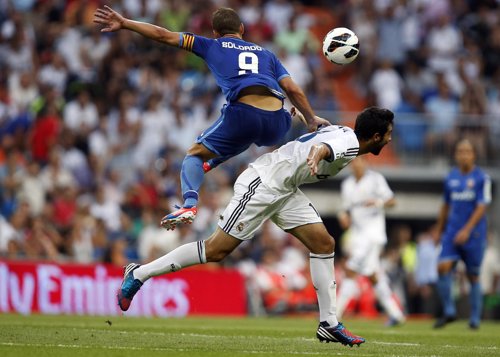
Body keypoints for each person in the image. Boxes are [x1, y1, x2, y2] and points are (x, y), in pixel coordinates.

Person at [116, 106, 395, 347]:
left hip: (285, 190)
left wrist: (304, 118)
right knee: (216, 250)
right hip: (262, 184)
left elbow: (325, 133)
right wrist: (316, 153)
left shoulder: (345, 132)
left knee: (324, 243)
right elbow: (324, 147)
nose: (390, 138)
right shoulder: (348, 145)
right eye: (388, 133)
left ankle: (329, 323)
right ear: (375, 137)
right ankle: (139, 273)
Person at [93, 6, 329, 230]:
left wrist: (125, 23)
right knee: (253, 132)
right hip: (276, 125)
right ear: (243, 29)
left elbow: (162, 35)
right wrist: (310, 118)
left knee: (193, 156)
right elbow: (293, 89)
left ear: (215, 32)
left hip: (243, 115)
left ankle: (189, 205)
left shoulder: (210, 44)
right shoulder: (267, 54)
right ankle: (222, 156)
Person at [336, 156, 405, 326]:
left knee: (351, 268)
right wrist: (343, 217)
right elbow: (345, 210)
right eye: (354, 161)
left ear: (366, 162)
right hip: (358, 235)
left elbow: (392, 201)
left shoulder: (375, 180)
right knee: (373, 275)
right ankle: (396, 315)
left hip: (373, 234)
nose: (356, 164)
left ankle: (334, 314)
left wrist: (378, 202)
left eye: (360, 160)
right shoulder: (347, 185)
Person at [433, 139, 491, 329]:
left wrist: (467, 230)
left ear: (474, 155)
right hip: (451, 233)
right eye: (460, 151)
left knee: (472, 276)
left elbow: (482, 207)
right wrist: (439, 229)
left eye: (467, 151)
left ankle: (474, 319)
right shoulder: (451, 177)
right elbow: (445, 205)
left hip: (474, 235)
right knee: (442, 267)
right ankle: (450, 311)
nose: (463, 155)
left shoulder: (482, 178)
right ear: (456, 155)